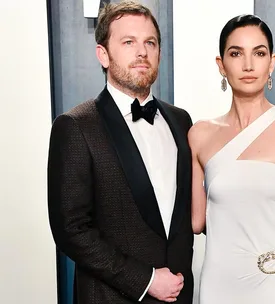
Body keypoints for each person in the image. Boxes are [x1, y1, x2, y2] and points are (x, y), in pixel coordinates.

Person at [47, 2, 193, 303]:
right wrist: (146, 280)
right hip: (111, 296)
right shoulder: (76, 126)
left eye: (150, 43)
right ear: (103, 54)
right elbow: (71, 230)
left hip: (180, 296)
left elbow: (191, 209)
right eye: (128, 42)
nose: (142, 52)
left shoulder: (181, 120)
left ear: (159, 53)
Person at [189, 15, 275, 304]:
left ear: (272, 62)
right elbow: (196, 221)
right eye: (236, 53)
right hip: (219, 285)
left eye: (259, 53)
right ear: (221, 65)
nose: (248, 64)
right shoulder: (200, 135)